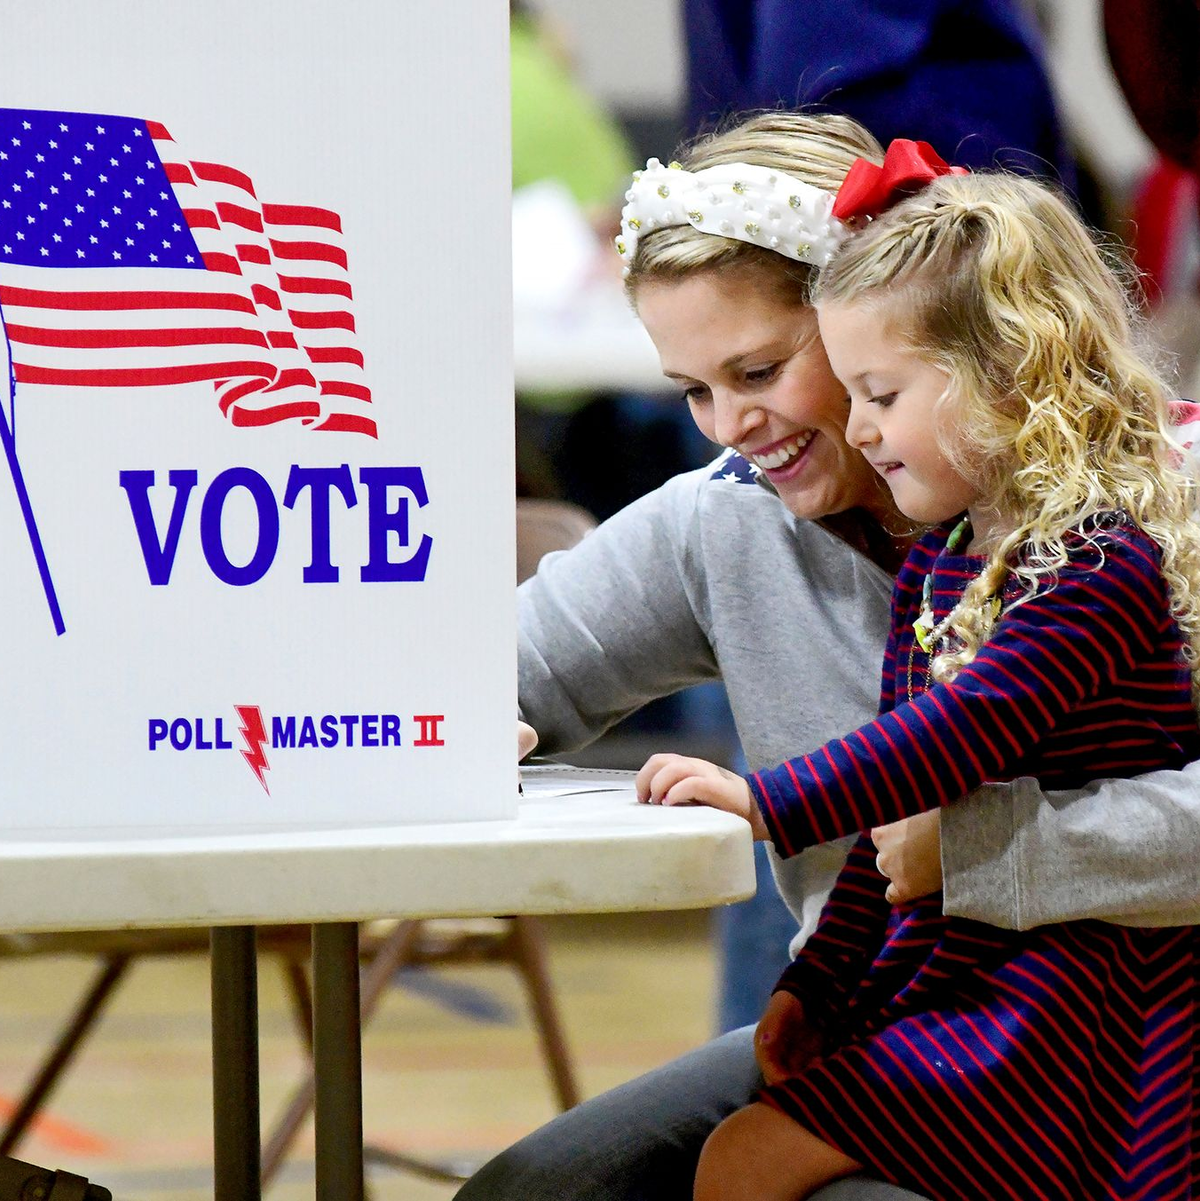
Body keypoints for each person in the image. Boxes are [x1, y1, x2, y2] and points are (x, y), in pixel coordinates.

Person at [460, 112, 1200, 1201]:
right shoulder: (726, 518)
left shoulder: (1146, 507)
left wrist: (984, 849)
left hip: (1119, 1033)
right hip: (895, 1005)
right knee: (539, 1191)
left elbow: (941, 762)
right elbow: (502, 669)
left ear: (891, 318)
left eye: (760, 368)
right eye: (693, 390)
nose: (731, 427)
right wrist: (434, 722)